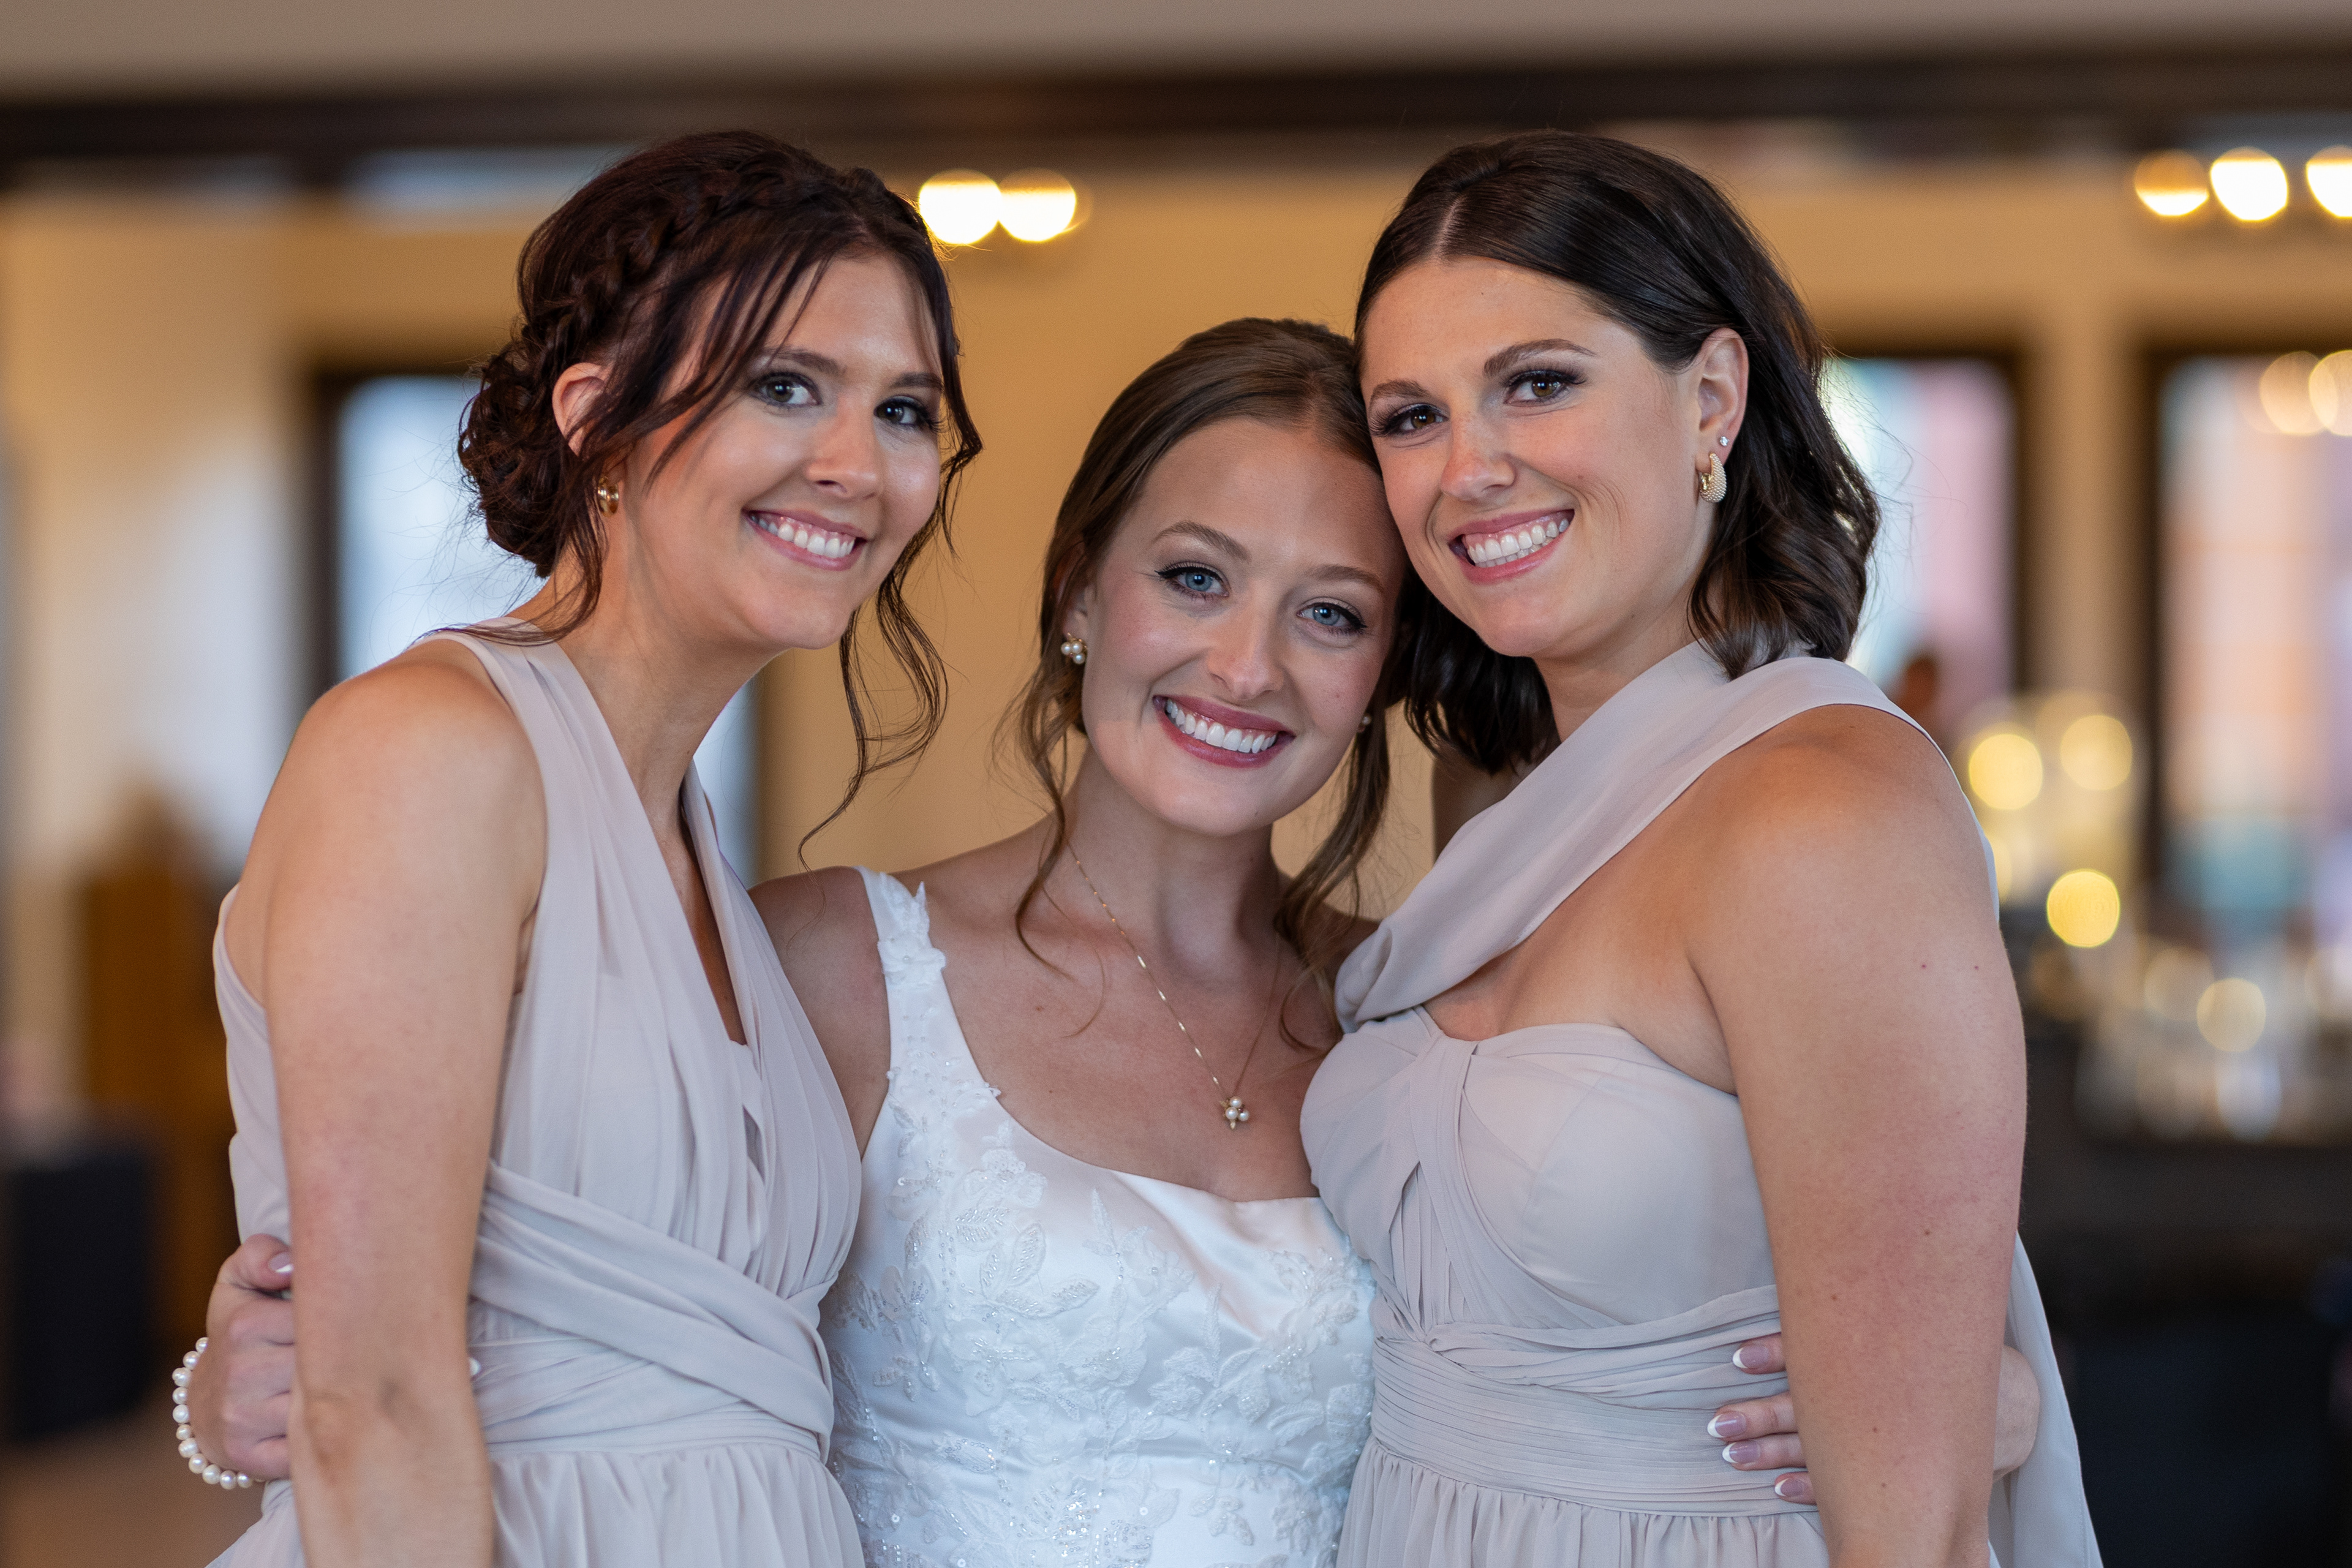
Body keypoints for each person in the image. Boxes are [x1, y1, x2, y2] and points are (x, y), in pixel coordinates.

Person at [189, 315, 2045, 1567]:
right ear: (1083, 587)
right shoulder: (829, 967)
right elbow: (542, 1301)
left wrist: (1964, 1385)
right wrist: (238, 1373)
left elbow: (1645, 1313)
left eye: (1334, 612)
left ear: (1387, 667)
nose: (1246, 665)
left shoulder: (1416, 1037)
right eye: (1194, 577)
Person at [1302, 132, 2097, 1566]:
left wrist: (1958, 1404)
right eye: (1412, 416)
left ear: (1713, 398)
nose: (1469, 467)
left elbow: (1914, 1531)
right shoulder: (1500, 797)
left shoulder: (1824, 815)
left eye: (1538, 383)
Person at [196, 130, 979, 1567]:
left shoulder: (688, 840)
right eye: (785, 386)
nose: (856, 464)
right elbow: (372, 1403)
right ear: (596, 413)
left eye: (904, 410)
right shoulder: (428, 751)